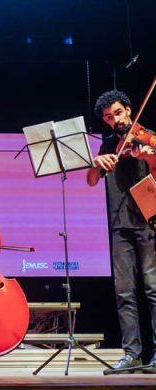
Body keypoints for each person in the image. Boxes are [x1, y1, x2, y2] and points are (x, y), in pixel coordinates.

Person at [87, 89, 156, 373]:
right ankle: (131, 353)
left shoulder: (148, 137)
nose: (114, 120)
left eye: (117, 113)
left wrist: (149, 156)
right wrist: (95, 164)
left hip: (150, 220)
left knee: (154, 289)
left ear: (128, 109)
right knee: (123, 291)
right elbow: (92, 181)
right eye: (107, 117)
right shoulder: (107, 146)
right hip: (119, 224)